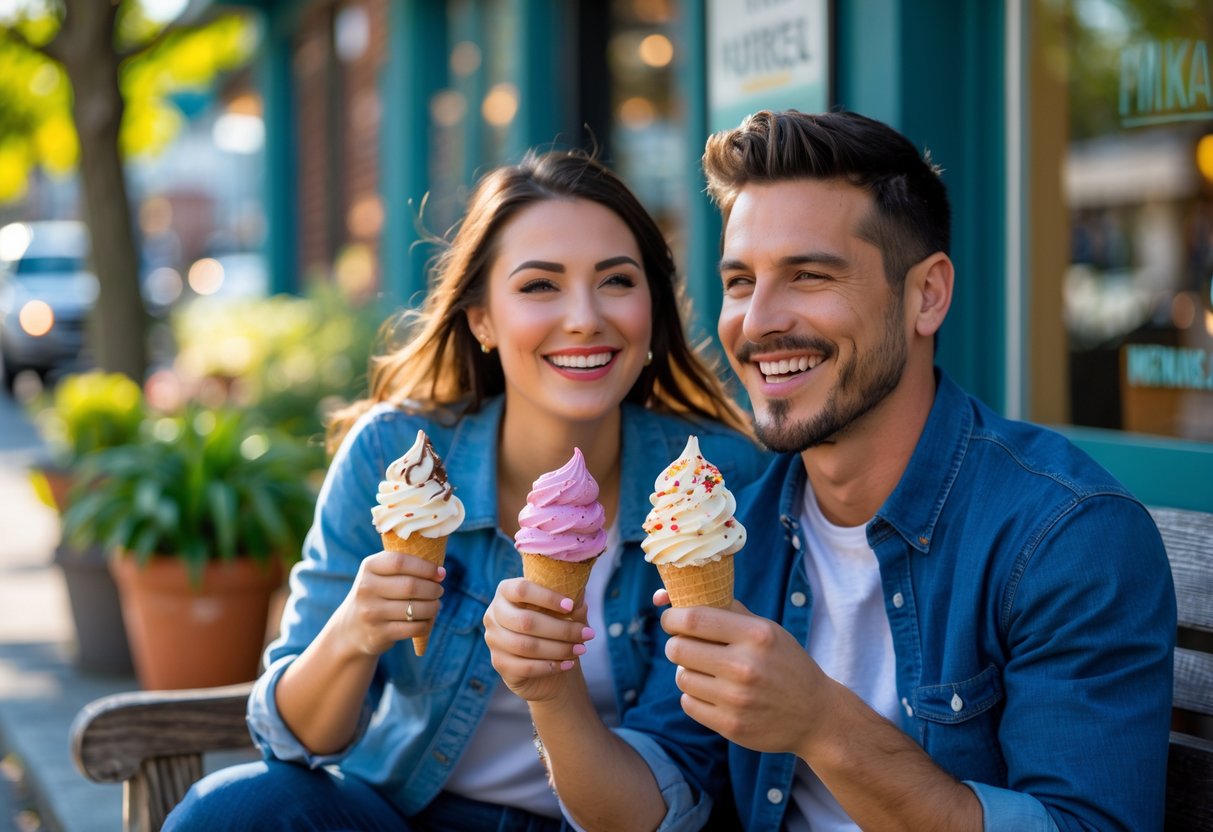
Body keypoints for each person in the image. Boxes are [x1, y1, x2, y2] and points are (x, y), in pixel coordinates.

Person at [484, 110, 1176, 831]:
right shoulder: (732, 533)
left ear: (926, 295)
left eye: (809, 275)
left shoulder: (1062, 537)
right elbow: (652, 809)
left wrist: (820, 723)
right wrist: (550, 690)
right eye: (741, 281)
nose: (756, 323)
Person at [164, 148, 768, 830]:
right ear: (481, 318)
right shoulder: (395, 456)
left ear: (652, 309)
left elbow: (660, 813)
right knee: (237, 808)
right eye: (539, 286)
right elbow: (293, 741)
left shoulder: (715, 485)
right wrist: (354, 632)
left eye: (616, 281)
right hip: (408, 814)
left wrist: (551, 687)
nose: (582, 318)